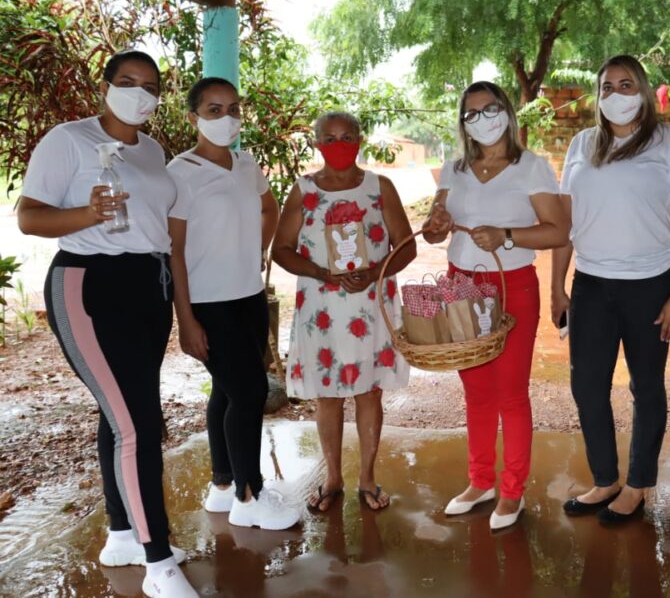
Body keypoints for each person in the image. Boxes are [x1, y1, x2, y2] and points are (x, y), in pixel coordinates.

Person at [17, 50, 197, 598]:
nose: (139, 93)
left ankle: (122, 534)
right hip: (89, 285)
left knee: (122, 413)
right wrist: (86, 214)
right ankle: (158, 563)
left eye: (150, 86)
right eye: (127, 81)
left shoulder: (152, 149)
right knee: (137, 424)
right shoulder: (69, 139)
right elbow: (29, 216)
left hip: (147, 287)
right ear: (105, 85)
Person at [551, 55, 670, 525]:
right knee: (587, 386)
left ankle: (637, 484)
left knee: (646, 386)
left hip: (651, 285)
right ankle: (605, 480)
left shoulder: (669, 143)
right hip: (592, 285)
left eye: (626, 85)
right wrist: (557, 286)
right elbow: (565, 224)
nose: (616, 95)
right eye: (607, 87)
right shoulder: (582, 144)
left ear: (642, 90)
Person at [423, 81, 568, 531]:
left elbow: (558, 230)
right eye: (471, 113)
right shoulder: (454, 170)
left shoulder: (531, 168)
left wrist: (507, 235)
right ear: (462, 122)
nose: (482, 119)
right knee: (476, 390)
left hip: (512, 287)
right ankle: (480, 481)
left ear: (506, 111)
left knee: (511, 392)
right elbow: (434, 231)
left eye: (490, 109)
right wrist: (436, 224)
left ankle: (512, 491)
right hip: (461, 285)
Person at [166, 77, 296, 530]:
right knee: (250, 392)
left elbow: (269, 208)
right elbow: (173, 251)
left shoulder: (245, 162)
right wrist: (185, 319)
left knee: (227, 391)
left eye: (234, 109)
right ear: (194, 117)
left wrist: (254, 247)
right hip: (209, 303)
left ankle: (223, 485)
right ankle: (249, 495)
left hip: (249, 296)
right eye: (214, 110)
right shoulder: (180, 172)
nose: (227, 118)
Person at [272, 111, 414, 513]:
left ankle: (367, 478)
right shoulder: (304, 191)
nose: (339, 145)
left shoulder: (379, 188)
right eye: (330, 138)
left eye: (347, 137)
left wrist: (374, 272)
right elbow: (280, 250)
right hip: (323, 309)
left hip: (370, 305)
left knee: (369, 392)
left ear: (360, 140)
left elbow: (406, 245)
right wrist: (321, 273)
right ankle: (333, 478)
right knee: (328, 396)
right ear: (317, 143)